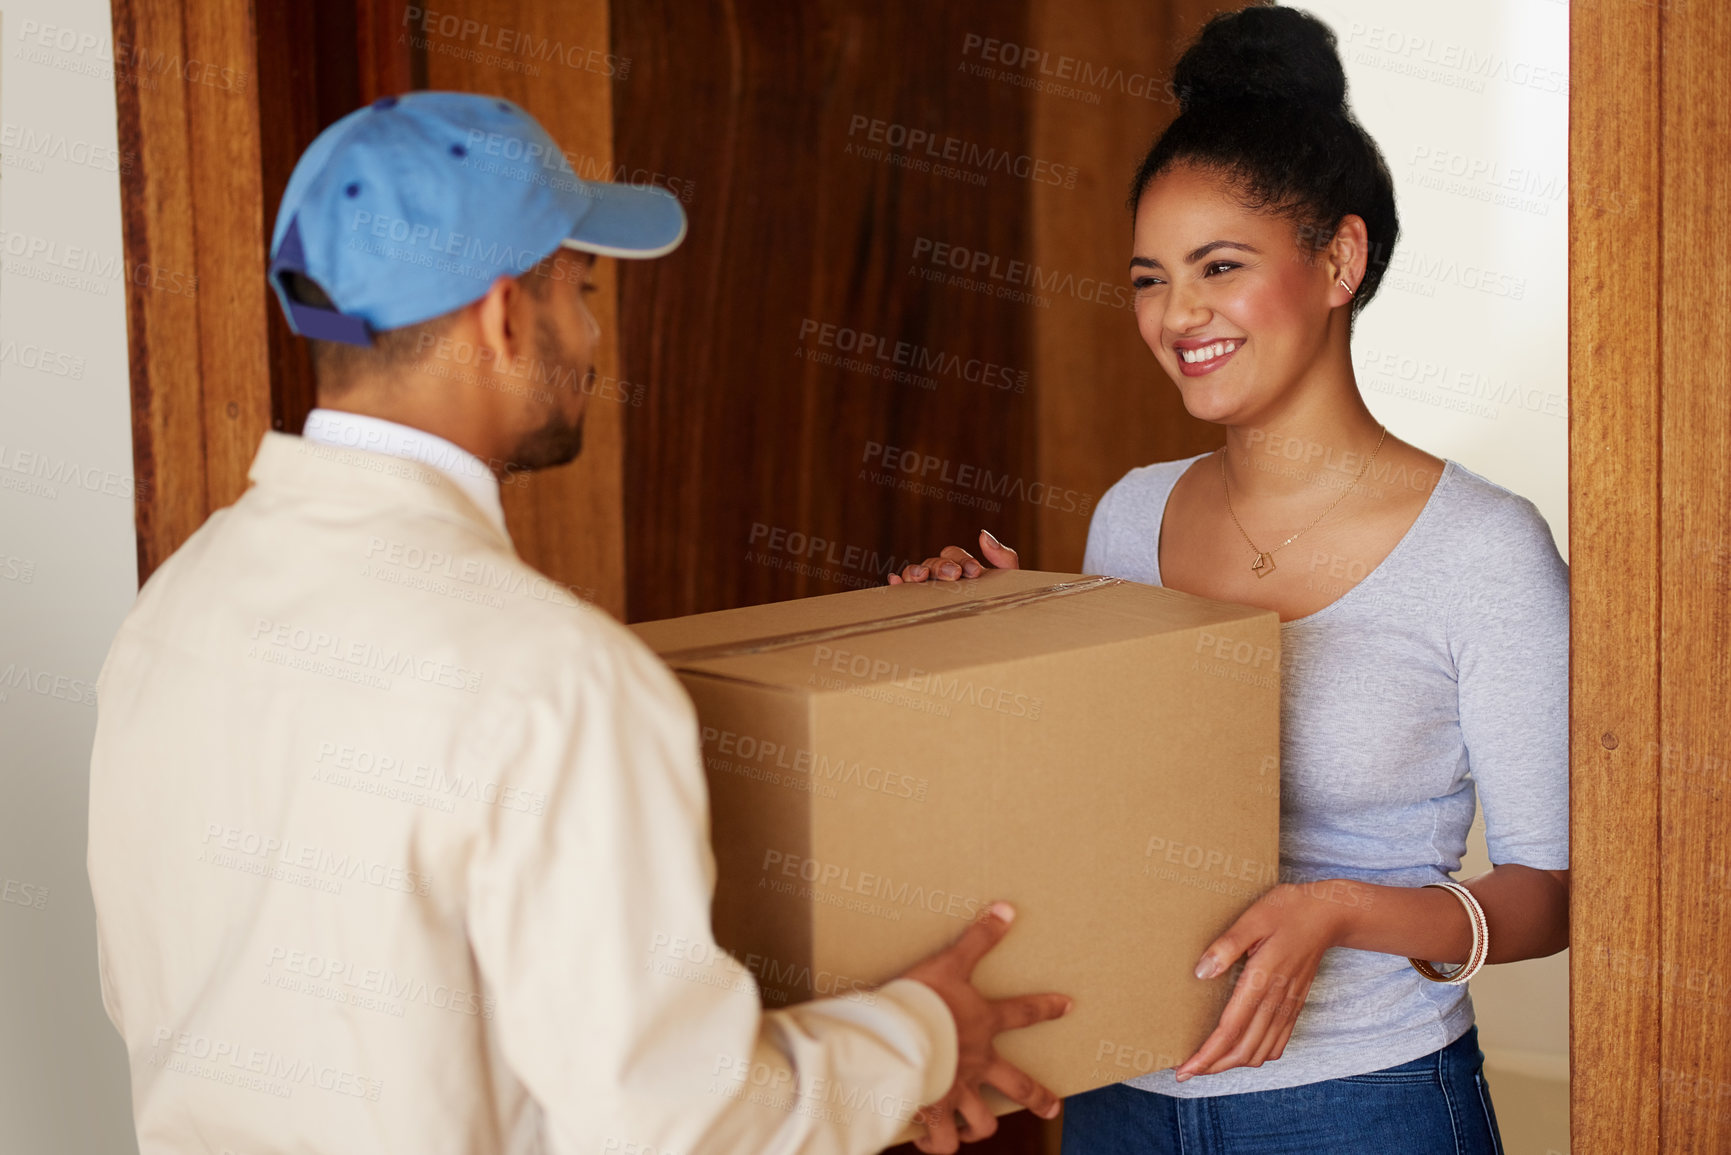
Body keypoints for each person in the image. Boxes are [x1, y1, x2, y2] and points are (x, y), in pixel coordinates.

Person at [87, 91, 1068, 1155]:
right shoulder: (555, 679)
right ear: (505, 317)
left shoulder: (172, 614)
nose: (593, 336)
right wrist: (923, 1036)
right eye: (584, 289)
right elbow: (674, 1129)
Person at [891, 9, 1568, 1154]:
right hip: (1117, 1090)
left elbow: (1549, 896)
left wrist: (1343, 911)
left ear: (1339, 260)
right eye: (1151, 278)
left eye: (1220, 268)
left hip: (1364, 1102)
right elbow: (1103, 811)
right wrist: (993, 638)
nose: (1176, 315)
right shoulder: (1132, 512)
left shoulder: (1483, 549)